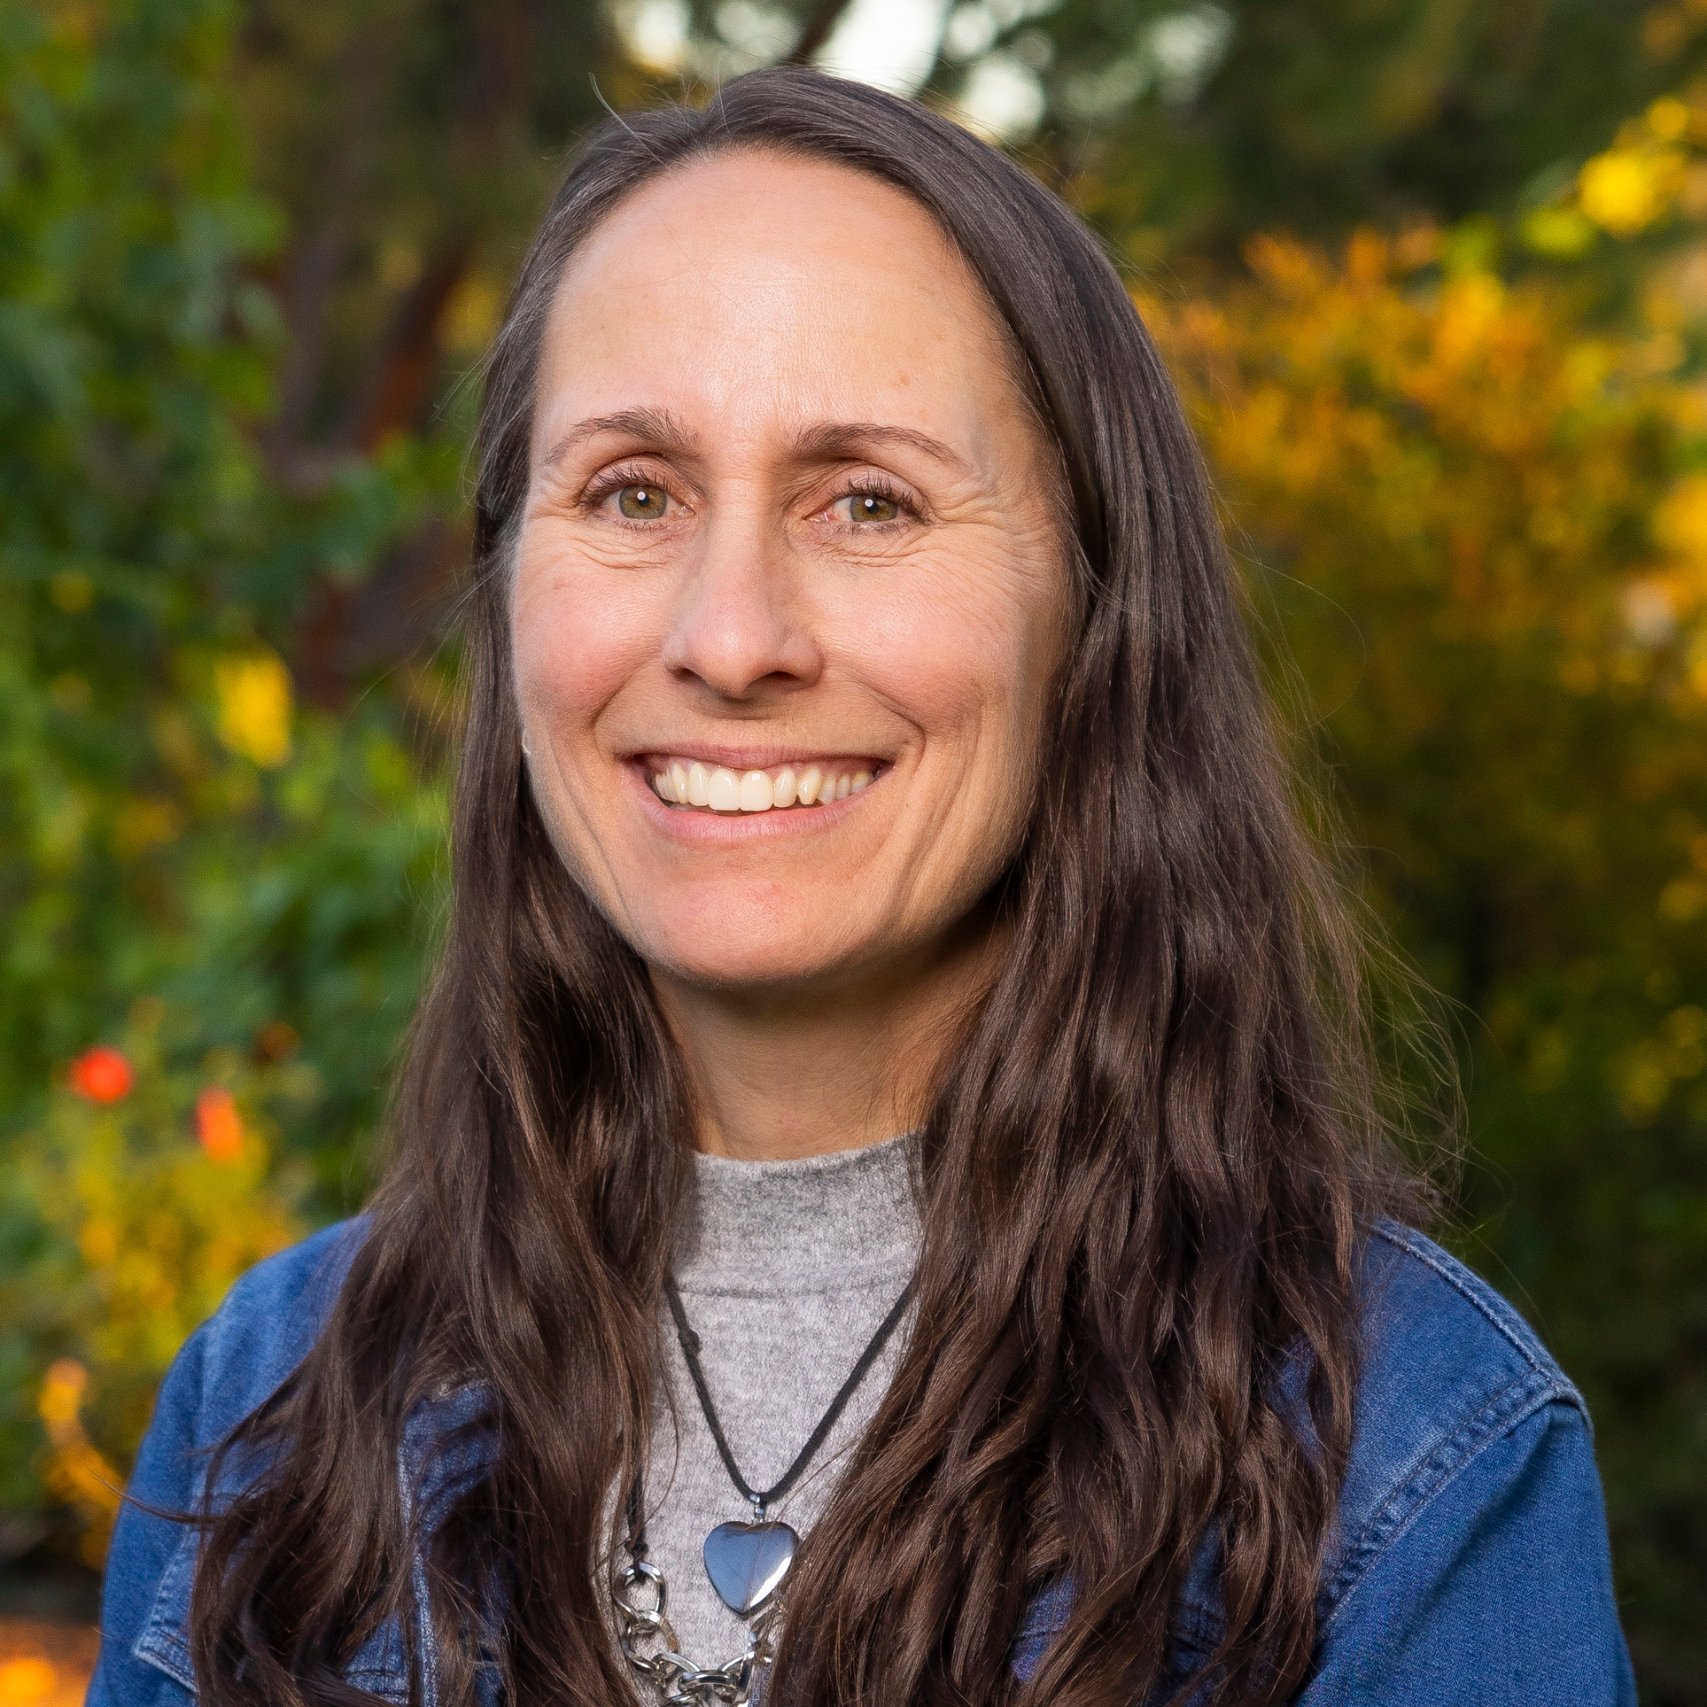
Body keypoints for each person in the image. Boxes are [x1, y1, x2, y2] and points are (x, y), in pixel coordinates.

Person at [87, 64, 1636, 1707]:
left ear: (1093, 614)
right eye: (633, 493)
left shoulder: (1411, 1466)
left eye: (869, 503)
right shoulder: (265, 1412)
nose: (731, 637)